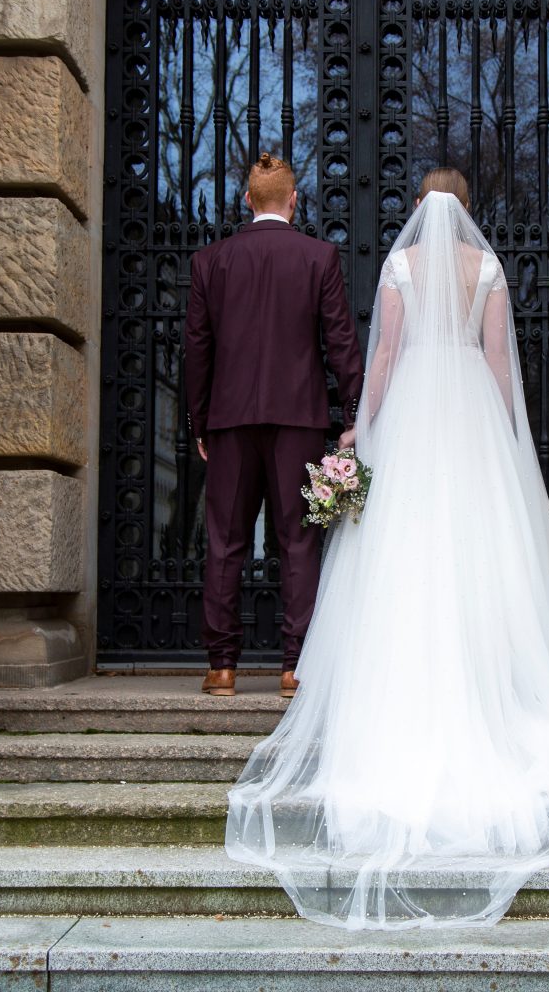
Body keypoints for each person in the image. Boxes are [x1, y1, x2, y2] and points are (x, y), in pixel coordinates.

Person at [225, 167, 549, 930]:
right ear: (465, 208)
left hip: (415, 415)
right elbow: (498, 360)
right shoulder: (484, 267)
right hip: (468, 412)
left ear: (419, 208)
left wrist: (365, 426)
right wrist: (508, 433)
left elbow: (385, 355)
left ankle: (402, 692)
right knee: (484, 553)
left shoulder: (400, 266)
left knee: (404, 557)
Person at [184, 153, 364, 699]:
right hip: (298, 420)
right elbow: (340, 342)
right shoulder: (318, 257)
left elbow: (197, 350)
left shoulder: (210, 262)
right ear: (293, 201)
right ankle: (295, 666)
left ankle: (222, 666)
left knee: (225, 541)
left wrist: (200, 420)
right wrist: (354, 411)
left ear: (247, 200)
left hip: (230, 420)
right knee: (298, 541)